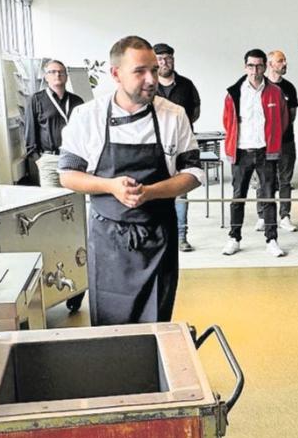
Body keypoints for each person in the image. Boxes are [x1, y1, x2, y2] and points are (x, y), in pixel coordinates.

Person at [58, 36, 202, 325]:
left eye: (153, 69)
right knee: (109, 325)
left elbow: (193, 173)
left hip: (158, 236)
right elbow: (68, 174)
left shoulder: (174, 116)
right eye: (140, 71)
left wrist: (150, 192)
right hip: (107, 238)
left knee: (156, 320)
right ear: (115, 74)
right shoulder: (87, 116)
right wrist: (111, 186)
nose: (151, 79)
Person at [221, 48, 289, 258]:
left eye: (259, 65)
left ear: (265, 66)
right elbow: (227, 121)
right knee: (238, 197)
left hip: (265, 153)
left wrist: (272, 142)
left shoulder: (275, 93)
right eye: (251, 65)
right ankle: (234, 238)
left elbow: (283, 120)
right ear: (245, 67)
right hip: (241, 152)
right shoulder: (234, 93)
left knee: (268, 196)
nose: (255, 70)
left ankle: (271, 239)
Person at [154, 42, 202, 253]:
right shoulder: (149, 85)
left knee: (181, 191)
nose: (165, 62)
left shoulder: (186, 84)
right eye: (161, 59)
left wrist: (180, 128)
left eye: (168, 58)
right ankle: (159, 236)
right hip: (155, 146)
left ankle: (181, 236)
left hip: (181, 145)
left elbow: (195, 111)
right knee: (156, 192)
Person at [24, 59, 84, 188]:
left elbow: (84, 131)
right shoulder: (36, 100)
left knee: (74, 200)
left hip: (73, 158)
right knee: (53, 201)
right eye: (53, 72)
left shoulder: (77, 101)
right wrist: (38, 159)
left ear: (66, 77)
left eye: (61, 72)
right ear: (46, 77)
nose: (57, 75)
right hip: (49, 159)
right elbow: (30, 131)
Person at [266, 50, 298, 233]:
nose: (284, 63)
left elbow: (292, 115)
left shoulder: (289, 88)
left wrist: (281, 129)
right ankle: (264, 216)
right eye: (280, 61)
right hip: (266, 143)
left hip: (286, 141)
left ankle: (284, 216)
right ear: (270, 64)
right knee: (266, 180)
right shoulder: (262, 86)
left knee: (285, 180)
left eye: (285, 60)